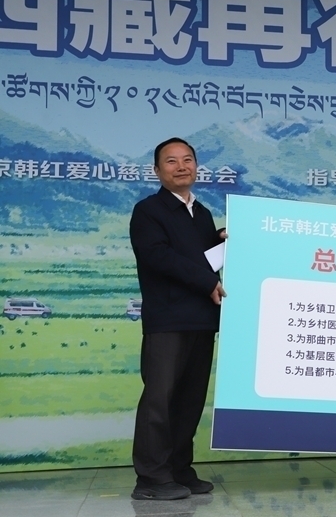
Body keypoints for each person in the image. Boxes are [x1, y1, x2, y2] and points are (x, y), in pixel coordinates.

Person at [129, 137, 227, 500]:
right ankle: (151, 478)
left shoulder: (201, 213)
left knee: (189, 401)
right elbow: (159, 257)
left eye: (188, 160)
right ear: (157, 170)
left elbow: (205, 258)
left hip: (202, 318)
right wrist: (207, 281)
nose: (181, 166)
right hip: (168, 320)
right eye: (171, 161)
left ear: (196, 167)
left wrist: (225, 240)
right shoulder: (148, 211)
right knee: (160, 400)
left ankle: (179, 470)